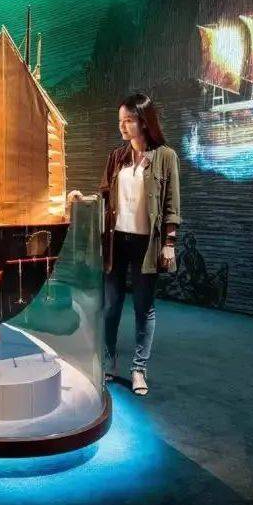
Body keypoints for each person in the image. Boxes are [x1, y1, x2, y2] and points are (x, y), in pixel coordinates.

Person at [68, 93, 182, 396]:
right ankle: (108, 364)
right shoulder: (116, 157)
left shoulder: (166, 157)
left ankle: (139, 369)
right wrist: (84, 200)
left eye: (128, 120)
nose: (122, 126)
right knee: (111, 306)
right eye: (120, 121)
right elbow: (104, 197)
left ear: (143, 122)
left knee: (144, 308)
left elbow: (172, 206)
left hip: (148, 244)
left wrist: (169, 242)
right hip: (116, 241)